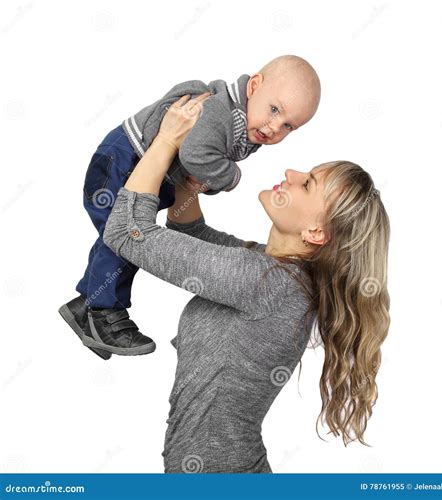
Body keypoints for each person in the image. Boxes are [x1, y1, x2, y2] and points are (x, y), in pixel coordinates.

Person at [100, 93, 391, 472]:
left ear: (316, 232)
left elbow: (125, 231)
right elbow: (192, 232)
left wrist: (167, 140)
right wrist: (188, 183)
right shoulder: (271, 269)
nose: (291, 174)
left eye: (307, 185)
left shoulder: (269, 282)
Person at [58, 55, 321, 359]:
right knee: (127, 241)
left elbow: (198, 166)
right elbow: (196, 154)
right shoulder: (222, 113)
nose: (275, 126)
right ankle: (102, 311)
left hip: (139, 169)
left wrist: (203, 179)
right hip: (120, 163)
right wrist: (230, 177)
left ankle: (85, 306)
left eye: (288, 125)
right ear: (254, 85)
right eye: (274, 110)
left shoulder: (245, 121)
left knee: (120, 239)